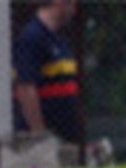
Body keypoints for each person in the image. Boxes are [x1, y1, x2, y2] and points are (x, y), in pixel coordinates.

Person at [13, 0, 82, 155]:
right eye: (72, 3)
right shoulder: (32, 38)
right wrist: (39, 134)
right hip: (46, 139)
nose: (74, 10)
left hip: (65, 135)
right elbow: (25, 86)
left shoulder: (61, 39)